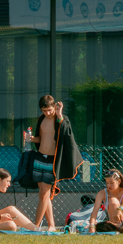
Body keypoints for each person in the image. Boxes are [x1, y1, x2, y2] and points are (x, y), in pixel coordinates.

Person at [30, 94, 81, 229]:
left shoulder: (60, 120)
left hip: (52, 161)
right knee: (43, 195)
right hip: (40, 157)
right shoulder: (41, 119)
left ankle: (35, 226)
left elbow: (67, 133)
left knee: (44, 194)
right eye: (44, 110)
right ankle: (51, 225)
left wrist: (59, 115)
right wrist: (31, 139)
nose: (47, 113)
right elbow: (41, 139)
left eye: (50, 110)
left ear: (54, 107)